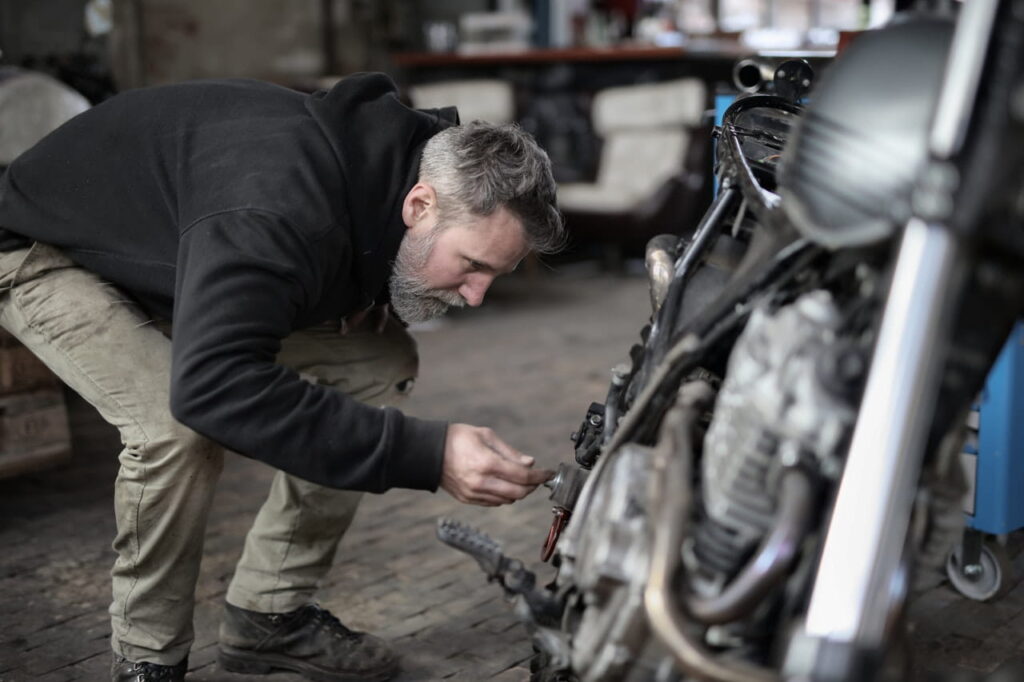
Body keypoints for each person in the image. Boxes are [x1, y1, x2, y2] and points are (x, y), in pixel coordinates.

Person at [0, 72, 564, 682]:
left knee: (378, 363)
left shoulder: (397, 163)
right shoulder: (279, 208)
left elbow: (345, 253)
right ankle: (148, 659)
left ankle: (267, 617)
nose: (477, 297)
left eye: (494, 275)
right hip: (44, 249)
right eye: (473, 265)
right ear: (420, 205)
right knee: (172, 424)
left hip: (167, 249)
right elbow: (212, 386)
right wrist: (425, 453)